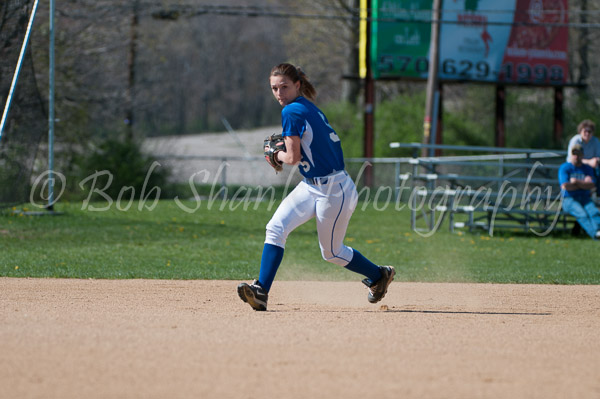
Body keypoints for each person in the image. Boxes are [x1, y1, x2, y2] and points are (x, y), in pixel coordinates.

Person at [237, 63, 395, 311]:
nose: (279, 93)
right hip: (311, 185)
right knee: (275, 228)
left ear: (297, 85)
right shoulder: (307, 107)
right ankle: (261, 291)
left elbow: (293, 158)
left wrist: (275, 156)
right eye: (274, 88)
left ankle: (379, 275)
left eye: (284, 87)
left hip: (334, 190)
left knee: (331, 252)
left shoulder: (292, 111)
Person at [559, 144, 600, 239]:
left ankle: (598, 230)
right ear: (571, 155)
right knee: (582, 214)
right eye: (574, 154)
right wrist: (583, 185)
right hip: (569, 199)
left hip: (585, 198)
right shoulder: (565, 167)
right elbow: (565, 186)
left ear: (582, 155)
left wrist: (576, 182)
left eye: (579, 154)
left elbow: (592, 185)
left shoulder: (587, 168)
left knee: (593, 212)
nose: (576, 156)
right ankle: (595, 234)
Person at [566, 119, 600, 195]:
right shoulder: (575, 140)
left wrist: (595, 161)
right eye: (585, 131)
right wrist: (589, 162)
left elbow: (598, 156)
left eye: (589, 131)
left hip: (591, 168)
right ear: (580, 131)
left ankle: (597, 195)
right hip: (576, 167)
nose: (587, 133)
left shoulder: (596, 141)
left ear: (592, 133)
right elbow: (570, 159)